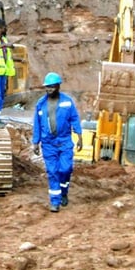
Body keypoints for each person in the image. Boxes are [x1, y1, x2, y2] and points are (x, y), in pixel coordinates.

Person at [31, 72, 82, 212]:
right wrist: (35, 142)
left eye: (52, 87)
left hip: (65, 141)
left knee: (65, 169)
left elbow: (74, 119)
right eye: (47, 87)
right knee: (52, 172)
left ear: (58, 86)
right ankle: (55, 202)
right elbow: (37, 124)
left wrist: (79, 136)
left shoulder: (67, 101)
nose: (49, 90)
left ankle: (64, 191)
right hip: (48, 144)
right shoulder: (41, 104)